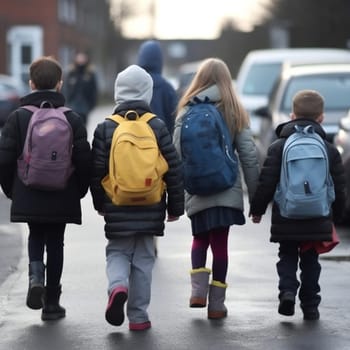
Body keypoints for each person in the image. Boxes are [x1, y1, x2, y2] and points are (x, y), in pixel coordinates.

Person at [90, 64, 184, 331]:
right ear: (147, 93)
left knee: (118, 252)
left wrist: (100, 204)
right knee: (144, 259)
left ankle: (118, 286)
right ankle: (139, 317)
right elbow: (173, 168)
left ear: (119, 93)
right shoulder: (156, 125)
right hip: (152, 202)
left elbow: (96, 171)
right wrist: (175, 206)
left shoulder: (106, 127)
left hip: (117, 203)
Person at [0, 56, 91, 321]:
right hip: (62, 193)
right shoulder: (72, 119)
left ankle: (35, 276)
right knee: (56, 242)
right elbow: (84, 160)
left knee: (35, 236)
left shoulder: (17, 118)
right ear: (60, 84)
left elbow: (4, 159)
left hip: (28, 192)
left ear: (31, 83)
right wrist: (80, 189)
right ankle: (52, 303)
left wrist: (11, 189)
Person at [173, 58, 260, 319]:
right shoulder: (234, 108)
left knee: (200, 238)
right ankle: (217, 305)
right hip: (226, 188)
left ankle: (198, 293)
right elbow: (249, 155)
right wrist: (256, 200)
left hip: (197, 187)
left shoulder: (187, 108)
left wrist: (174, 197)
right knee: (220, 244)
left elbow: (176, 154)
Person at [249, 90, 346, 320]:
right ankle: (311, 305)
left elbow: (267, 182)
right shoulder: (329, 150)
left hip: (287, 213)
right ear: (321, 118)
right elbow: (340, 187)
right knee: (311, 259)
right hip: (318, 214)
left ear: (292, 115)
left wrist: (257, 209)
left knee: (287, 255)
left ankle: (288, 291)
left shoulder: (278, 147)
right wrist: (337, 214)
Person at [137, 40, 178, 136]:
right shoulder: (166, 87)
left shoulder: (135, 84)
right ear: (159, 60)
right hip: (161, 140)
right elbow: (174, 118)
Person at [64, 52, 98, 125]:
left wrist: (92, 104)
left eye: (83, 58)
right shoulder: (71, 73)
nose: (81, 60)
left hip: (85, 107)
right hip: (72, 106)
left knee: (83, 126)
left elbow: (94, 90)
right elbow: (66, 89)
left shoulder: (90, 74)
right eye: (79, 58)